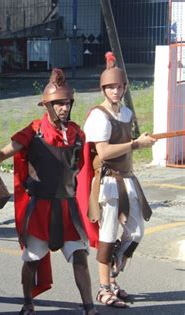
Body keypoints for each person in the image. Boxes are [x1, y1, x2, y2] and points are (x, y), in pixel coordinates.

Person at [0, 69, 97, 315]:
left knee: (81, 258)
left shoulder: (77, 134)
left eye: (67, 103)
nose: (64, 107)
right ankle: (28, 303)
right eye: (59, 103)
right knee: (31, 260)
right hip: (40, 207)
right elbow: (3, 154)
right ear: (48, 106)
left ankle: (89, 307)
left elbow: (82, 167)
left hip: (67, 208)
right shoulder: (33, 131)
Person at [83, 52, 156, 308]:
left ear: (125, 87)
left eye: (119, 86)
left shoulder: (125, 112)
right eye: (111, 87)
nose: (116, 90)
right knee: (108, 233)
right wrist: (137, 143)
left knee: (135, 232)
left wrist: (138, 141)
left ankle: (113, 274)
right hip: (107, 182)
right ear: (104, 88)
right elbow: (103, 152)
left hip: (128, 179)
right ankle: (105, 289)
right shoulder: (98, 116)